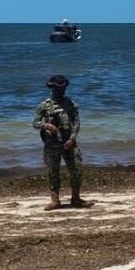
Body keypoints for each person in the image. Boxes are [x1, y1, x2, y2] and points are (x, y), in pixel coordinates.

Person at [33, 75, 88, 210]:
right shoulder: (44, 106)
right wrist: (47, 126)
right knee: (53, 171)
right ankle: (55, 200)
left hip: (69, 142)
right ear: (52, 88)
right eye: (58, 88)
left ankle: (76, 198)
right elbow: (35, 123)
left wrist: (72, 138)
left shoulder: (71, 103)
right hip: (52, 144)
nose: (61, 91)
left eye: (63, 88)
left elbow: (76, 122)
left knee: (76, 169)